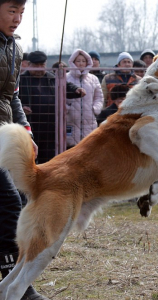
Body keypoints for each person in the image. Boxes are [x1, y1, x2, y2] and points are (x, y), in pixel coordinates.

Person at [0, 1, 48, 299]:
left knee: (15, 201)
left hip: (4, 136)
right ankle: (18, 287)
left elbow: (12, 97)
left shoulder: (15, 49)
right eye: (10, 11)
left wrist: (25, 131)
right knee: (8, 204)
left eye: (21, 13)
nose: (17, 19)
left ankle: (14, 282)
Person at [20, 51, 84, 163]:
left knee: (48, 158)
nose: (40, 68)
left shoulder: (51, 78)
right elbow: (12, 99)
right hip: (31, 125)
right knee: (29, 157)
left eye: (42, 65)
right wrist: (22, 108)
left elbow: (66, 86)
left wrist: (76, 89)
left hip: (51, 126)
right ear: (29, 65)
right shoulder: (21, 80)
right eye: (36, 65)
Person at [65, 49, 104, 148]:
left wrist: (95, 109)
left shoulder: (93, 78)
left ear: (87, 62)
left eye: (83, 61)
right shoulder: (66, 78)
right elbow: (60, 96)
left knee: (89, 147)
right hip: (70, 118)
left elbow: (99, 96)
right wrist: (67, 107)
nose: (81, 63)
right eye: (78, 61)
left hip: (89, 118)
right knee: (71, 149)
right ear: (73, 62)